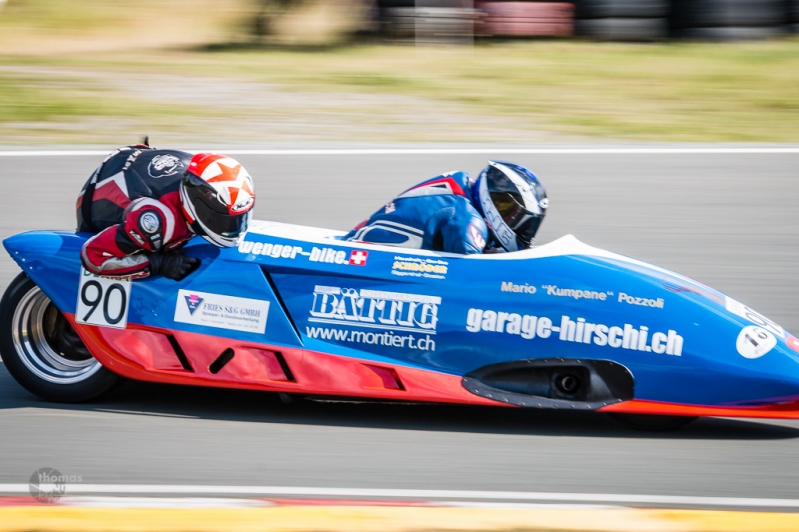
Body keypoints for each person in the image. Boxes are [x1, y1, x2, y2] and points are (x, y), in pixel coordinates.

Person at [76, 142, 255, 280]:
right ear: (199, 206)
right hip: (97, 203)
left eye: (241, 219)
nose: (234, 228)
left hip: (133, 162)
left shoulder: (198, 170)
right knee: (158, 251)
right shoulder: (159, 222)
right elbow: (92, 256)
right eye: (225, 221)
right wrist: (156, 263)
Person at [344, 160, 547, 254]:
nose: (525, 231)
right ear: (492, 199)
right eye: (514, 214)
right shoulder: (469, 221)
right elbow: (475, 279)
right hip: (369, 264)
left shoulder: (463, 188)